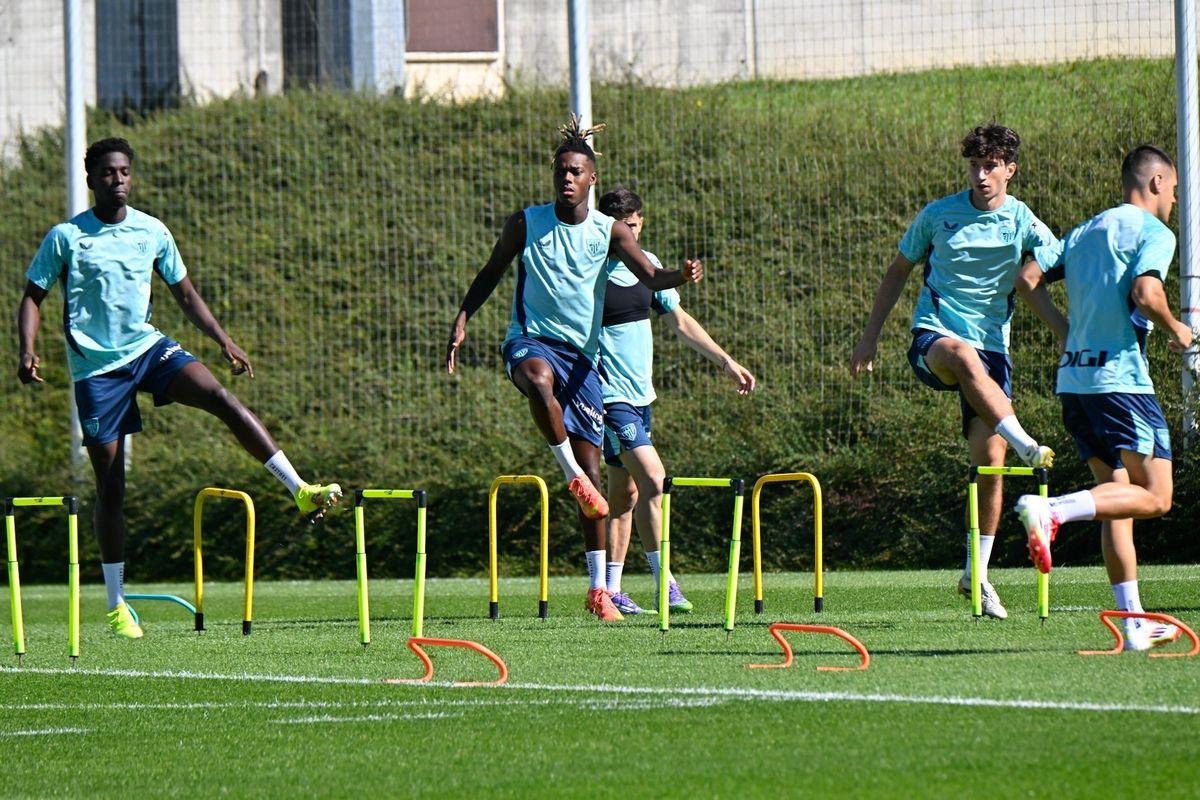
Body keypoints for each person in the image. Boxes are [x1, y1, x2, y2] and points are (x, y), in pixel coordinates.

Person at [16, 137, 342, 641]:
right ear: (91, 178)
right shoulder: (67, 237)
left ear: (132, 175)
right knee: (111, 486)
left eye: (124, 171)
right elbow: (32, 297)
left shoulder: (152, 231)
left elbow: (185, 294)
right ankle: (116, 603)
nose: (117, 179)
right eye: (107, 172)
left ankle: (298, 489)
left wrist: (223, 340)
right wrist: (27, 349)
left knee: (220, 397)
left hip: (148, 350)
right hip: (96, 371)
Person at [445, 117, 702, 622]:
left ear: (590, 181)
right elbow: (491, 271)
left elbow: (651, 274)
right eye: (561, 169)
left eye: (576, 171)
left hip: (584, 362)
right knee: (538, 382)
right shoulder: (526, 222)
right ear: (554, 175)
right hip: (530, 342)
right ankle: (569, 475)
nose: (567, 177)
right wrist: (462, 316)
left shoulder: (608, 232)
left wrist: (682, 274)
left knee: (595, 481)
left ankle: (598, 591)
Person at [849, 124, 1060, 620]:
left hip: (994, 351)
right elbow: (897, 271)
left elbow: (1058, 257)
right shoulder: (938, 215)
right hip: (936, 338)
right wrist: (870, 336)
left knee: (991, 466)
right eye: (974, 166)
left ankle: (977, 576)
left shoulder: (1022, 220)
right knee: (963, 357)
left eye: (991, 167)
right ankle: (1028, 442)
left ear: (1010, 170)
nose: (981, 176)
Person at [1016, 144, 1193, 651]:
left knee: (1116, 502)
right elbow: (1146, 293)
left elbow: (1027, 280)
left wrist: (1065, 332)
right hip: (1121, 383)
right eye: (1175, 190)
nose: (1176, 201)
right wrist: (1177, 329)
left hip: (1075, 382)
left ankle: (1133, 622)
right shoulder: (1154, 232)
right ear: (1156, 182)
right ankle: (1052, 512)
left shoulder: (1085, 230)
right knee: (1157, 497)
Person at [595, 187, 756, 615]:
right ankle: (664, 582)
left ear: (640, 223)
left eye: (631, 227)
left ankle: (609, 591)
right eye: (617, 230)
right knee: (654, 478)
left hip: (641, 396)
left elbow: (680, 322)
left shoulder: (647, 269)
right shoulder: (591, 271)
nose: (625, 237)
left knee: (624, 496)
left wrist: (726, 362)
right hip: (609, 398)